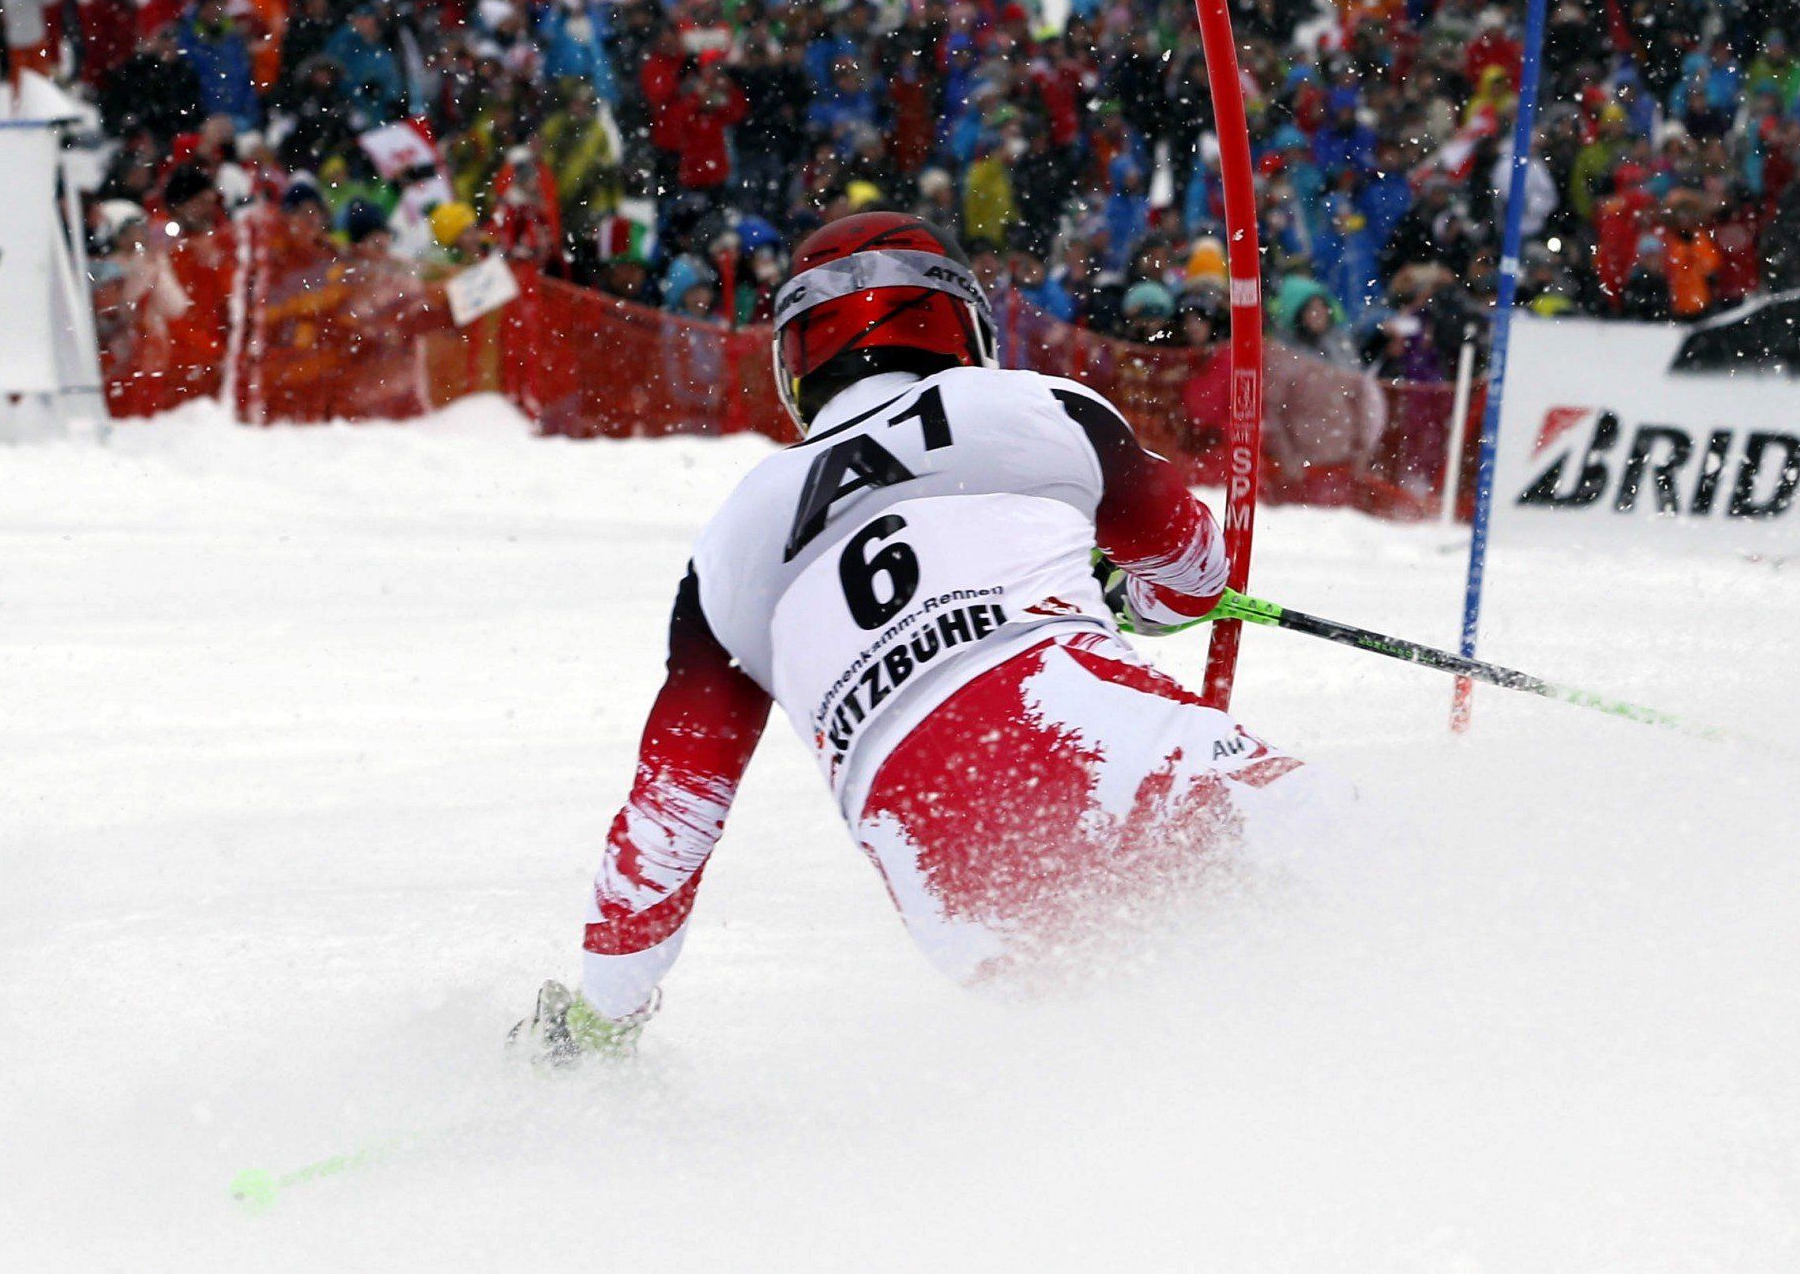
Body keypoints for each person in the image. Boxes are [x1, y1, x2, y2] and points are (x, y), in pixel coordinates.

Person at [528, 210, 1337, 1063]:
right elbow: (1194, 578)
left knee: (1181, 1070)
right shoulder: (1034, 404)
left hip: (978, 916)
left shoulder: (731, 542)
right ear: (962, 321)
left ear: (796, 359)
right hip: (1161, 778)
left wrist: (600, 1019)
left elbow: (669, 822)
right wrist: (1123, 596)